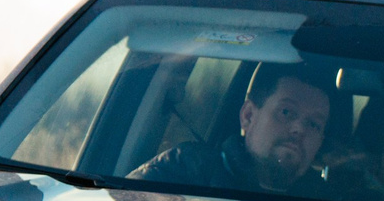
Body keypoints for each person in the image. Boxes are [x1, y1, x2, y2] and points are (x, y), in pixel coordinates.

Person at [130, 63, 332, 194]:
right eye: (286, 112)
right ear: (248, 116)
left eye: (313, 124)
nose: (299, 129)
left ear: (320, 141)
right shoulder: (181, 173)